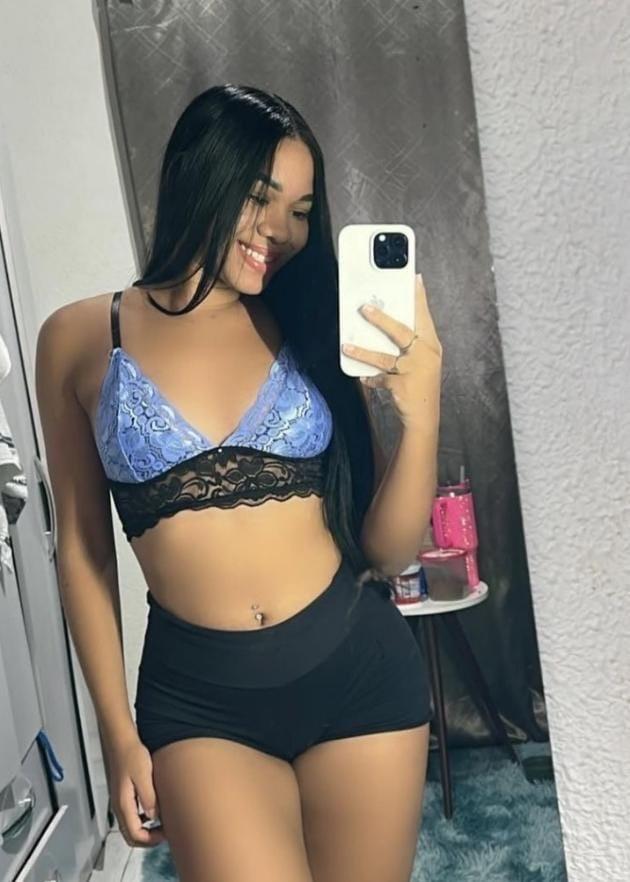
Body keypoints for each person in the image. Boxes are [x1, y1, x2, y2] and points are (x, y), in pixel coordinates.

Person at [35, 84, 442, 882]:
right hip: (202, 707)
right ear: (197, 175)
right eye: (260, 198)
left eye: (301, 210)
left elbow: (388, 553)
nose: (281, 231)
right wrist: (116, 733)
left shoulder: (314, 321)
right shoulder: (79, 338)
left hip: (357, 674)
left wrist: (422, 418)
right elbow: (82, 550)